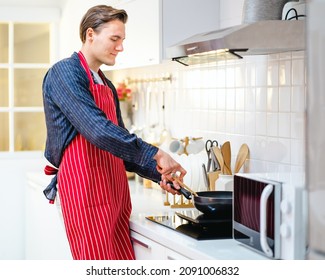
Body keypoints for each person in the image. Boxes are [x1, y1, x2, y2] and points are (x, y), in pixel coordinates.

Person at [42, 5, 186, 260]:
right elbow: (98, 131)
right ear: (90, 35)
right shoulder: (64, 73)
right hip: (85, 191)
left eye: (122, 40)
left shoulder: (105, 84)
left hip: (115, 194)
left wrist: (159, 174)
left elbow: (120, 144)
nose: (120, 47)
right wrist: (155, 153)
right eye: (114, 39)